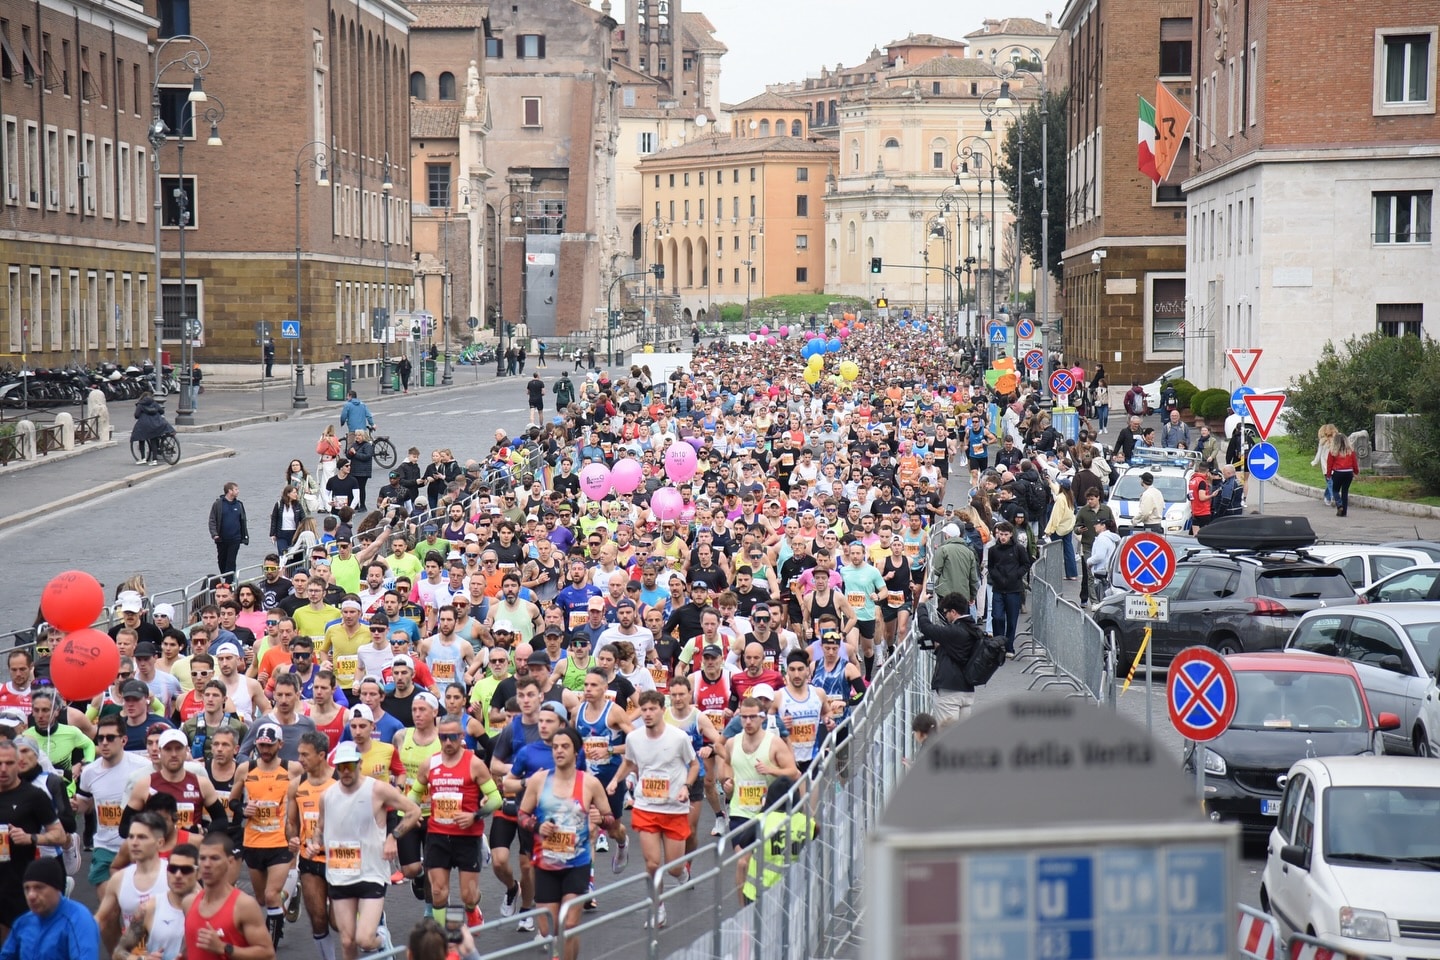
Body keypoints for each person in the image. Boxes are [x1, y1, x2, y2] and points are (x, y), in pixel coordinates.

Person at [517, 725, 626, 956]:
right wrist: (537, 826)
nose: (559, 751)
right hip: (545, 863)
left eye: (565, 746)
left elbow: (610, 820)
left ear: (576, 752)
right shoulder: (539, 781)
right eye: (555, 747)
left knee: (569, 924)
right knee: (549, 930)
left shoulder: (589, 783)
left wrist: (601, 819)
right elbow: (522, 814)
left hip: (577, 863)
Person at [313, 741, 421, 960]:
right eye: (341, 767)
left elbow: (414, 811)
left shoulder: (377, 789)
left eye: (350, 766)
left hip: (371, 873)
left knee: (364, 939)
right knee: (347, 941)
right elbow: (320, 827)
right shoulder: (327, 796)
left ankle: (382, 939)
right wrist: (314, 843)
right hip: (340, 874)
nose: (345, 771)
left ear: (360, 764)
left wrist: (393, 837)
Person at [185, 830, 276, 960]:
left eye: (214, 858)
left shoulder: (244, 905)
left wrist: (224, 948)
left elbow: (268, 954)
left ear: (230, 862)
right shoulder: (189, 903)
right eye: (202, 858)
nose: (207, 864)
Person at [110, 840, 200, 960]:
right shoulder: (149, 908)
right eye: (172, 869)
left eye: (186, 870)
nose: (178, 875)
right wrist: (143, 959)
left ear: (198, 873)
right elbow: (118, 953)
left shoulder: (212, 908)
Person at [0, 857, 99, 960]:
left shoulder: (77, 919)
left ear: (57, 888)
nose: (31, 895)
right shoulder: (23, 923)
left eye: (39, 887)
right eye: (27, 888)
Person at [916, 590, 981, 726]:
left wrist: (921, 604)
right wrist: (940, 647)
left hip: (949, 693)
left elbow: (925, 627)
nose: (945, 616)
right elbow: (958, 651)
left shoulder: (954, 631)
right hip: (967, 691)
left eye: (945, 612)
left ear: (953, 612)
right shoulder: (974, 629)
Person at [987, 522, 1032, 654]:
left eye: (1005, 534)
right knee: (997, 617)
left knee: (1012, 621)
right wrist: (996, 576)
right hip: (998, 588)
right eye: (1001, 534)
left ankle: (1009, 646)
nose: (1003, 537)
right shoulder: (993, 550)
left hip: (1014, 589)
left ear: (1011, 534)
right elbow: (991, 567)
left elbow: (1026, 564)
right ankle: (998, 644)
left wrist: (1016, 575)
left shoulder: (1018, 549)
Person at [208, 482, 249, 579]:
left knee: (231, 561)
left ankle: (229, 583)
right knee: (222, 560)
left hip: (235, 538)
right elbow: (212, 520)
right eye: (236, 489)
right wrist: (214, 534)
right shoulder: (218, 504)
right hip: (221, 539)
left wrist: (245, 536)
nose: (238, 491)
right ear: (230, 491)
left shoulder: (239, 505)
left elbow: (243, 520)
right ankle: (226, 576)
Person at [131, 390, 172, 465]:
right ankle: (154, 460)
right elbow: (162, 411)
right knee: (153, 440)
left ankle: (143, 458)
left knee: (141, 438)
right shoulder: (154, 403)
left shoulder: (140, 404)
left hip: (144, 424)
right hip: (156, 423)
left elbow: (136, 415)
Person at [1327, 431, 1358, 518]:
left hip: (1338, 472)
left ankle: (1339, 505)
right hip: (1348, 472)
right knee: (1345, 491)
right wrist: (1356, 471)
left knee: (1335, 490)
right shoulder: (1350, 451)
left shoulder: (1333, 451)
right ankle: (1344, 512)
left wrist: (1328, 474)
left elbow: (1329, 464)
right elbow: (1354, 463)